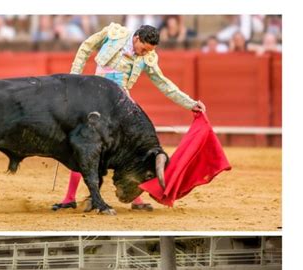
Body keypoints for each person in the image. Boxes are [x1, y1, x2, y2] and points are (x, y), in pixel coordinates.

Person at [51, 22, 206, 212]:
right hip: (95, 96)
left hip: (121, 102)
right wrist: (74, 78)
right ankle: (69, 197)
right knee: (83, 145)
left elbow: (164, 84)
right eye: (143, 49)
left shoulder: (148, 57)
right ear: (136, 38)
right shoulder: (114, 34)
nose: (144, 54)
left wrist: (190, 103)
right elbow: (86, 46)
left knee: (134, 149)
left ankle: (137, 199)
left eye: (148, 51)